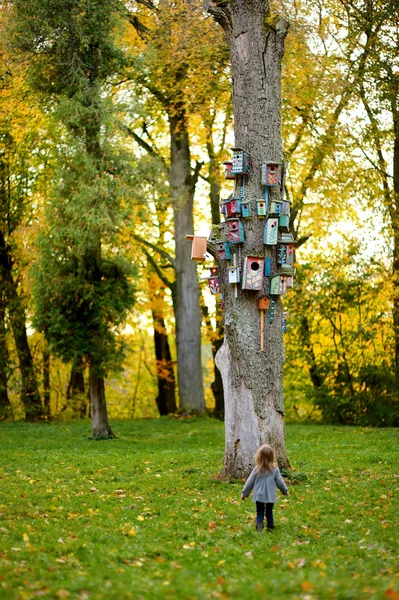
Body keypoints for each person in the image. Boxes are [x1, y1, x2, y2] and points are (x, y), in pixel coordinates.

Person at [241, 444, 288, 531]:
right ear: (272, 457)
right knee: (269, 511)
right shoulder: (275, 470)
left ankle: (259, 526)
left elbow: (249, 482)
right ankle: (270, 525)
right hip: (270, 495)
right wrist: (285, 491)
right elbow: (280, 482)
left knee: (260, 511)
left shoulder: (256, 469)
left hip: (259, 495)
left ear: (259, 457)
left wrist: (245, 493)